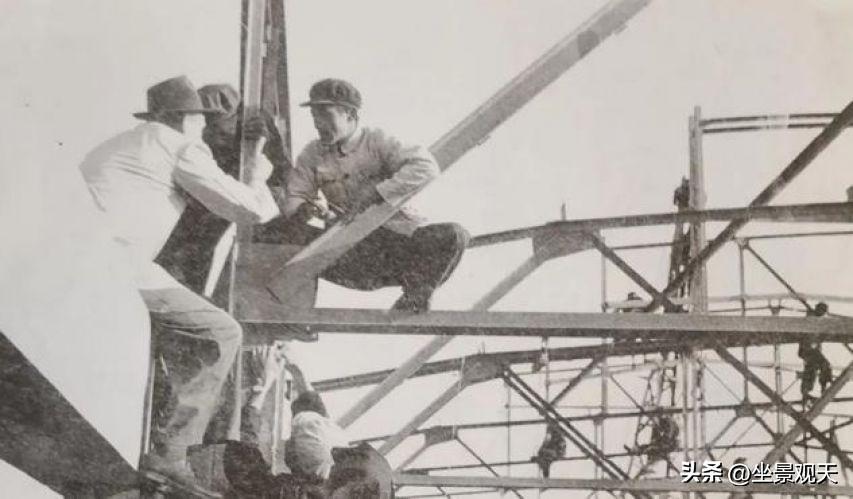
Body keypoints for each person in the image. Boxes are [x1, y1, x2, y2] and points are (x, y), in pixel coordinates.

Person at [79, 75, 279, 493]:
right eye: (199, 118)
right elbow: (252, 210)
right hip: (120, 267)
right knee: (221, 332)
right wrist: (259, 171)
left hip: (82, 260)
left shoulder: (116, 145)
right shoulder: (181, 147)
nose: (204, 126)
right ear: (184, 119)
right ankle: (171, 453)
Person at [284, 78, 469, 313]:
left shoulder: (378, 140)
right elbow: (295, 195)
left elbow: (426, 167)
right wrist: (304, 210)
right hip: (352, 252)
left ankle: (414, 298)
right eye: (314, 116)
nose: (318, 124)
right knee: (283, 235)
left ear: (350, 114)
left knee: (453, 235)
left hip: (397, 248)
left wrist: (377, 192)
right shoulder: (312, 154)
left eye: (326, 115)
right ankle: (288, 314)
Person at [155, 83, 291, 293]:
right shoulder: (201, 137)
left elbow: (280, 179)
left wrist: (264, 145)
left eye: (216, 124)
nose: (210, 129)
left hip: (262, 195)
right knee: (189, 244)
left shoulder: (256, 122)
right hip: (225, 189)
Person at [224, 343, 394, 498]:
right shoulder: (364, 477)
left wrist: (263, 386)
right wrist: (297, 372)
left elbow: (243, 467)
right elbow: (316, 424)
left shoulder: (304, 493)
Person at [799, 302, 833, 400]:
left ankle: (806, 391)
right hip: (809, 350)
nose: (823, 314)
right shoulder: (812, 318)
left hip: (809, 350)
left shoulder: (815, 319)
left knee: (811, 368)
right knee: (824, 365)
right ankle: (823, 387)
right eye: (822, 311)